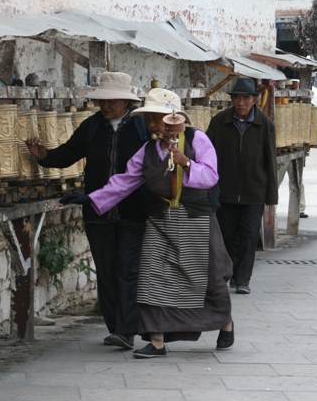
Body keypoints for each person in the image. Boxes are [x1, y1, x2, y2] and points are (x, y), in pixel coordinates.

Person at [60, 88, 234, 358]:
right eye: (149, 119)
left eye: (159, 119)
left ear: (176, 118)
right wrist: (91, 198)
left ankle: (224, 322)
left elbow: (210, 176)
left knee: (210, 277)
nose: (153, 125)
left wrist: (186, 163)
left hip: (195, 219)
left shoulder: (197, 139)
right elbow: (125, 182)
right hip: (161, 221)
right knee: (153, 279)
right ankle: (156, 341)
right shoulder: (149, 150)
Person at [25, 72, 148, 350]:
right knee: (105, 271)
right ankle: (116, 328)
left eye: (111, 101)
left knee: (127, 271)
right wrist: (43, 155)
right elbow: (67, 155)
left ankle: (128, 330)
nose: (105, 106)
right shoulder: (92, 127)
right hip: (97, 212)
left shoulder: (141, 127)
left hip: (134, 212)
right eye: (101, 101)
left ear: (125, 101)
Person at [206, 77, 278, 295]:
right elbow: (207, 156)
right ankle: (229, 273)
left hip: (254, 192)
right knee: (227, 235)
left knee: (248, 236)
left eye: (246, 98)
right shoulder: (219, 122)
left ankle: (243, 279)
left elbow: (270, 160)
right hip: (224, 192)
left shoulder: (264, 124)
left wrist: (271, 198)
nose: (241, 103)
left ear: (255, 100)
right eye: (236, 98)